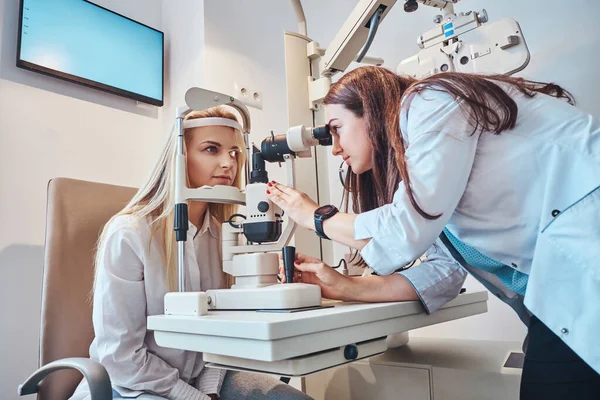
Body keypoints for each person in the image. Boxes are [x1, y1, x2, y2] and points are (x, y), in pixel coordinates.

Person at [266, 66, 600, 399]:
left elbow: (404, 229)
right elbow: (443, 272)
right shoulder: (427, 178)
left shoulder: (429, 100)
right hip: (566, 293)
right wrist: (342, 286)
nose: (335, 148)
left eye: (337, 129)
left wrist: (316, 217)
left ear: (372, 110)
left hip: (585, 267)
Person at [71, 107, 312, 400]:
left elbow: (222, 331)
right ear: (180, 157)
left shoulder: (226, 234)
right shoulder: (130, 234)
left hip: (205, 376)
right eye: (212, 149)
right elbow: (120, 356)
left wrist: (208, 391)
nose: (228, 163)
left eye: (235, 152)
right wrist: (191, 396)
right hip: (131, 385)